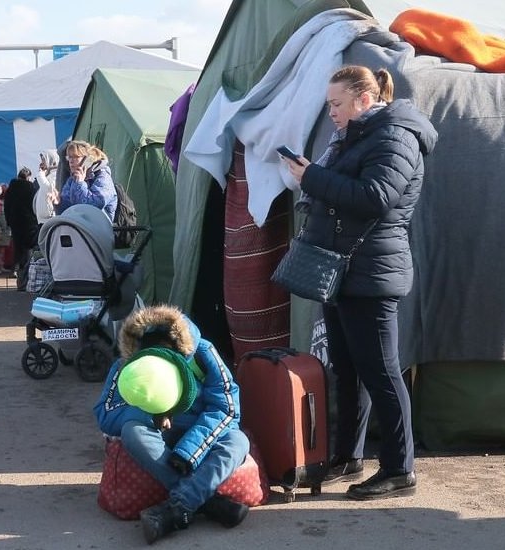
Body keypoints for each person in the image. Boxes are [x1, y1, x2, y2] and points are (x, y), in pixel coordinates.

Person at [281, 65, 438, 500]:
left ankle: (399, 469)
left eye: (336, 104)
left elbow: (375, 198)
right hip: (343, 269)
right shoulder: (360, 135)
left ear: (364, 100)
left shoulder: (396, 136)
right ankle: (349, 457)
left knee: (382, 372)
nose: (330, 112)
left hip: (371, 273)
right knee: (346, 369)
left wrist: (311, 177)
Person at [94, 304, 250, 545]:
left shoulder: (203, 353)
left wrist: (191, 451)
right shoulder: (127, 363)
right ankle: (204, 503)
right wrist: (151, 416)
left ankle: (175, 510)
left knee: (238, 441)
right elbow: (104, 413)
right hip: (158, 434)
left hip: (200, 433)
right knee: (132, 430)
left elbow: (227, 409)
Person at [58, 140, 117, 222]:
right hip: (79, 229)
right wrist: (57, 202)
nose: (71, 161)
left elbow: (95, 205)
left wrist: (79, 184)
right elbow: (67, 210)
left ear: (88, 160)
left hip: (99, 230)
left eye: (76, 157)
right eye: (69, 157)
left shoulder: (102, 176)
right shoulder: (72, 179)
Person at [3, 167, 39, 290]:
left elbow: (6, 206)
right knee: (28, 252)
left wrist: (9, 221)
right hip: (29, 223)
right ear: (28, 177)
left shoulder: (11, 189)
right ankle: (24, 282)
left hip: (15, 223)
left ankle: (17, 274)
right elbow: (35, 206)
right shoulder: (31, 188)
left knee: (17, 249)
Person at [33, 149, 60, 226]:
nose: (42, 162)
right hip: (44, 220)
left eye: (44, 159)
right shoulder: (48, 174)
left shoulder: (56, 174)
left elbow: (48, 189)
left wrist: (40, 174)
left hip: (50, 219)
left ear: (51, 160)